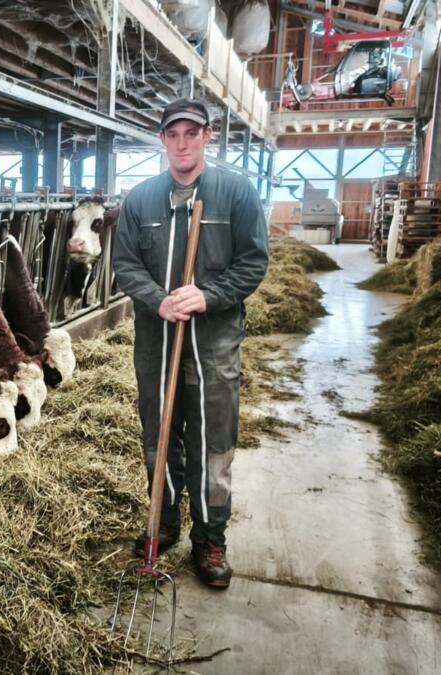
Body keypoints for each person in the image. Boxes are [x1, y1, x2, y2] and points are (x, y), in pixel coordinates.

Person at [111, 99, 269, 589]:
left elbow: (253, 262)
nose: (182, 143)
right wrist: (158, 300)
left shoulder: (236, 193)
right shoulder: (140, 200)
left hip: (213, 342)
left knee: (212, 440)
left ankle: (209, 536)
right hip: (156, 340)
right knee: (158, 433)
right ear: (162, 139)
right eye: (173, 134)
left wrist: (208, 295)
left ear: (207, 136)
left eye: (191, 133)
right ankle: (163, 519)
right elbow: (125, 264)